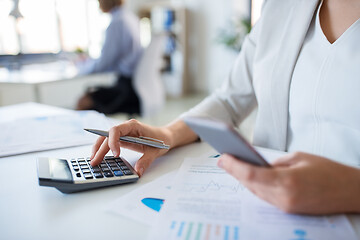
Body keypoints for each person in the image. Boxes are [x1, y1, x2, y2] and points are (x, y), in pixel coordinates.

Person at [90, 0, 360, 215]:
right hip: (267, 212)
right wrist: (167, 135)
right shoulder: (280, 7)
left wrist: (350, 189)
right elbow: (229, 100)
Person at [76, 0, 143, 114]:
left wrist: (82, 67)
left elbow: (104, 64)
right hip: (137, 84)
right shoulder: (130, 17)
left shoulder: (117, 23)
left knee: (83, 102)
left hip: (127, 89)